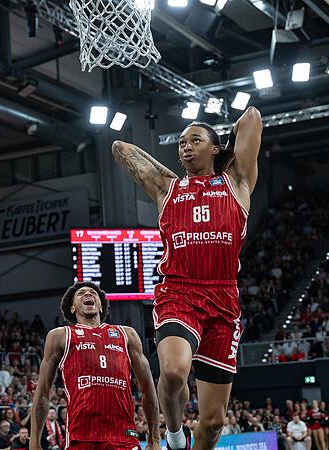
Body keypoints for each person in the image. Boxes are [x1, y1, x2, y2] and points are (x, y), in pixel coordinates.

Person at [112, 107, 262, 450]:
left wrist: (226, 154)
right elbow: (120, 148)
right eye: (180, 143)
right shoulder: (168, 188)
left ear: (216, 149)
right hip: (178, 293)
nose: (185, 147)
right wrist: (173, 174)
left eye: (195, 140)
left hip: (223, 299)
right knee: (176, 371)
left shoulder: (237, 183)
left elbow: (252, 117)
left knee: (213, 423)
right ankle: (174, 432)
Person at [31, 282, 160, 450]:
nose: (88, 294)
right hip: (81, 438)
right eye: (81, 294)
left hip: (124, 438)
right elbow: (42, 393)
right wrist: (34, 443)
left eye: (93, 293)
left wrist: (155, 439)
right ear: (72, 309)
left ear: (100, 306)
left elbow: (148, 388)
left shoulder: (127, 334)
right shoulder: (60, 336)